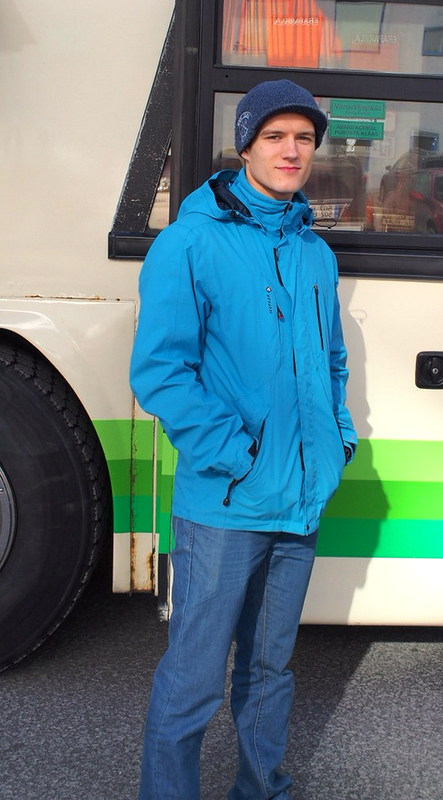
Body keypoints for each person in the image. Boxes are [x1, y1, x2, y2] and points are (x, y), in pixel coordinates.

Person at [130, 79, 357, 800]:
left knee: (269, 672)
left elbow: (330, 361)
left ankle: (262, 791)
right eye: (275, 136)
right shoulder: (189, 243)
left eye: (304, 138)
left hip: (298, 502)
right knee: (193, 681)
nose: (292, 151)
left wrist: (337, 441)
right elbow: (161, 371)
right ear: (246, 145)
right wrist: (237, 456)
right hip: (226, 505)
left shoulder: (314, 252)